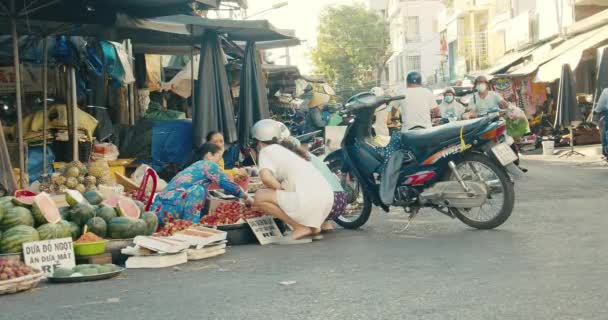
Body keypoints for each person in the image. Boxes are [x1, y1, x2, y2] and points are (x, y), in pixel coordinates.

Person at [252, 119, 334, 242]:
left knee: (259, 196)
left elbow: (266, 178)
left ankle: (299, 228)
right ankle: (313, 229)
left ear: (257, 141)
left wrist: (280, 189)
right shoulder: (285, 150)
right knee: (286, 194)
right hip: (326, 201)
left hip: (309, 201)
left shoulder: (266, 151)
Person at [152, 143, 252, 226]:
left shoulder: (195, 166)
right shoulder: (208, 165)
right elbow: (227, 184)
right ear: (209, 155)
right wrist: (246, 197)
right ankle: (190, 228)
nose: (219, 163)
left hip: (158, 211)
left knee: (202, 192)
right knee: (198, 190)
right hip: (172, 209)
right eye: (218, 158)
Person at [594, 88, 608, 158]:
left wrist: (596, 111)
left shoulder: (606, 91)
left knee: (604, 133)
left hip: (606, 114)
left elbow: (600, 106)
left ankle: (605, 151)